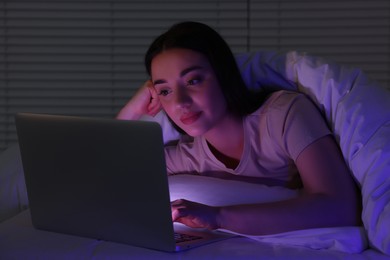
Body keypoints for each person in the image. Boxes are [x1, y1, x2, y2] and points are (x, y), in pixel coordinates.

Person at [116, 21, 361, 235]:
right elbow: (108, 171)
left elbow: (340, 206)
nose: (180, 102)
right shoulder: (187, 156)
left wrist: (218, 217)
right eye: (165, 91)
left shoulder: (282, 115)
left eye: (193, 80)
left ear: (224, 75)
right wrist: (133, 109)